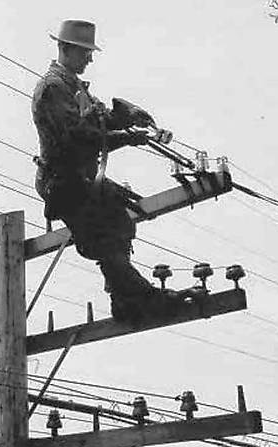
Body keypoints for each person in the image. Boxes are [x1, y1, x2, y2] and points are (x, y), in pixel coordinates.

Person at [32, 20, 178, 323]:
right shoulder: (52, 88)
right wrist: (127, 136)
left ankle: (125, 300)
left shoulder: (73, 87)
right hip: (62, 182)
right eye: (85, 51)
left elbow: (98, 120)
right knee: (103, 233)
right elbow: (78, 136)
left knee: (121, 220)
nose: (90, 58)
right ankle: (143, 298)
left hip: (80, 178)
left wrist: (127, 117)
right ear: (65, 49)